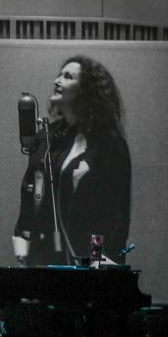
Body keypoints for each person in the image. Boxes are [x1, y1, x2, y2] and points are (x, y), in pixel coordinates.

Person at [14, 55, 131, 266]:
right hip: (44, 260)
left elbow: (117, 214)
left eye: (68, 77)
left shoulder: (109, 143)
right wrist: (21, 248)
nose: (57, 81)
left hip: (90, 265)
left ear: (86, 91)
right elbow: (30, 196)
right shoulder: (49, 137)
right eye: (59, 75)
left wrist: (102, 261)